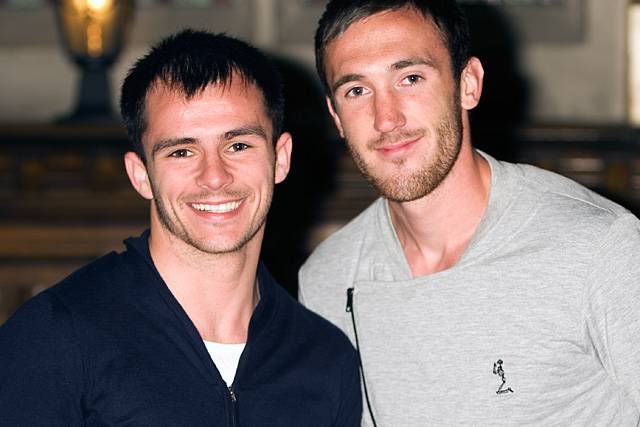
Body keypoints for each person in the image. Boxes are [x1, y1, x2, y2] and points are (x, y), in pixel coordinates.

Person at [298, 0, 640, 425]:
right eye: (356, 90)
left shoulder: (600, 249)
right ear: (336, 116)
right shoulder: (326, 279)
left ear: (468, 84)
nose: (386, 118)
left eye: (410, 78)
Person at [0, 29, 361, 426]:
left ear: (281, 158)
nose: (214, 176)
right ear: (140, 174)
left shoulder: (325, 358)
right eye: (182, 151)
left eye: (238, 145)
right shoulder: (53, 337)